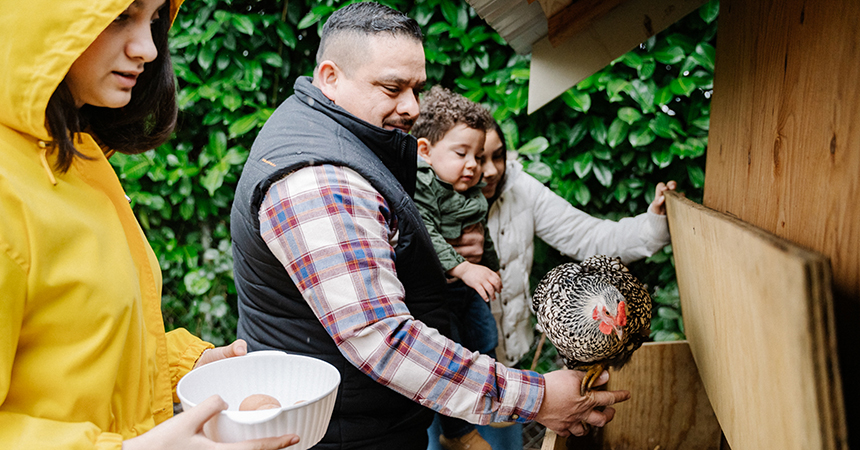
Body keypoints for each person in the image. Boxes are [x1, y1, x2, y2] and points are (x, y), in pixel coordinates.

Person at [231, 3, 629, 450]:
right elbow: (382, 339)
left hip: (358, 421)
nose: (411, 107)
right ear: (330, 77)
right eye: (391, 87)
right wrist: (534, 398)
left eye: (416, 88)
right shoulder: (319, 179)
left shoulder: (329, 133)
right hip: (340, 434)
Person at [0, 1, 299, 449]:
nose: (148, 49)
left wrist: (185, 365)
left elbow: (70, 348)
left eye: (154, 19)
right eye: (120, 16)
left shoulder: (73, 153)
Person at [445, 120, 675, 449]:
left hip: (507, 368)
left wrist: (655, 223)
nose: (492, 170)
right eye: (480, 158)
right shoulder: (427, 202)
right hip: (446, 370)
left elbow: (589, 237)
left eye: (498, 156)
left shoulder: (519, 189)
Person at [411, 86, 501, 450]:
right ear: (425, 151)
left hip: (467, 290)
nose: (474, 165)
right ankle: (458, 432)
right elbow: (425, 231)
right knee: (454, 354)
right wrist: (464, 268)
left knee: (485, 341)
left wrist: (490, 267)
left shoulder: (471, 193)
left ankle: (490, 401)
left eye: (477, 156)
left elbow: (484, 235)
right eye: (461, 153)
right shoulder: (424, 183)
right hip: (439, 293)